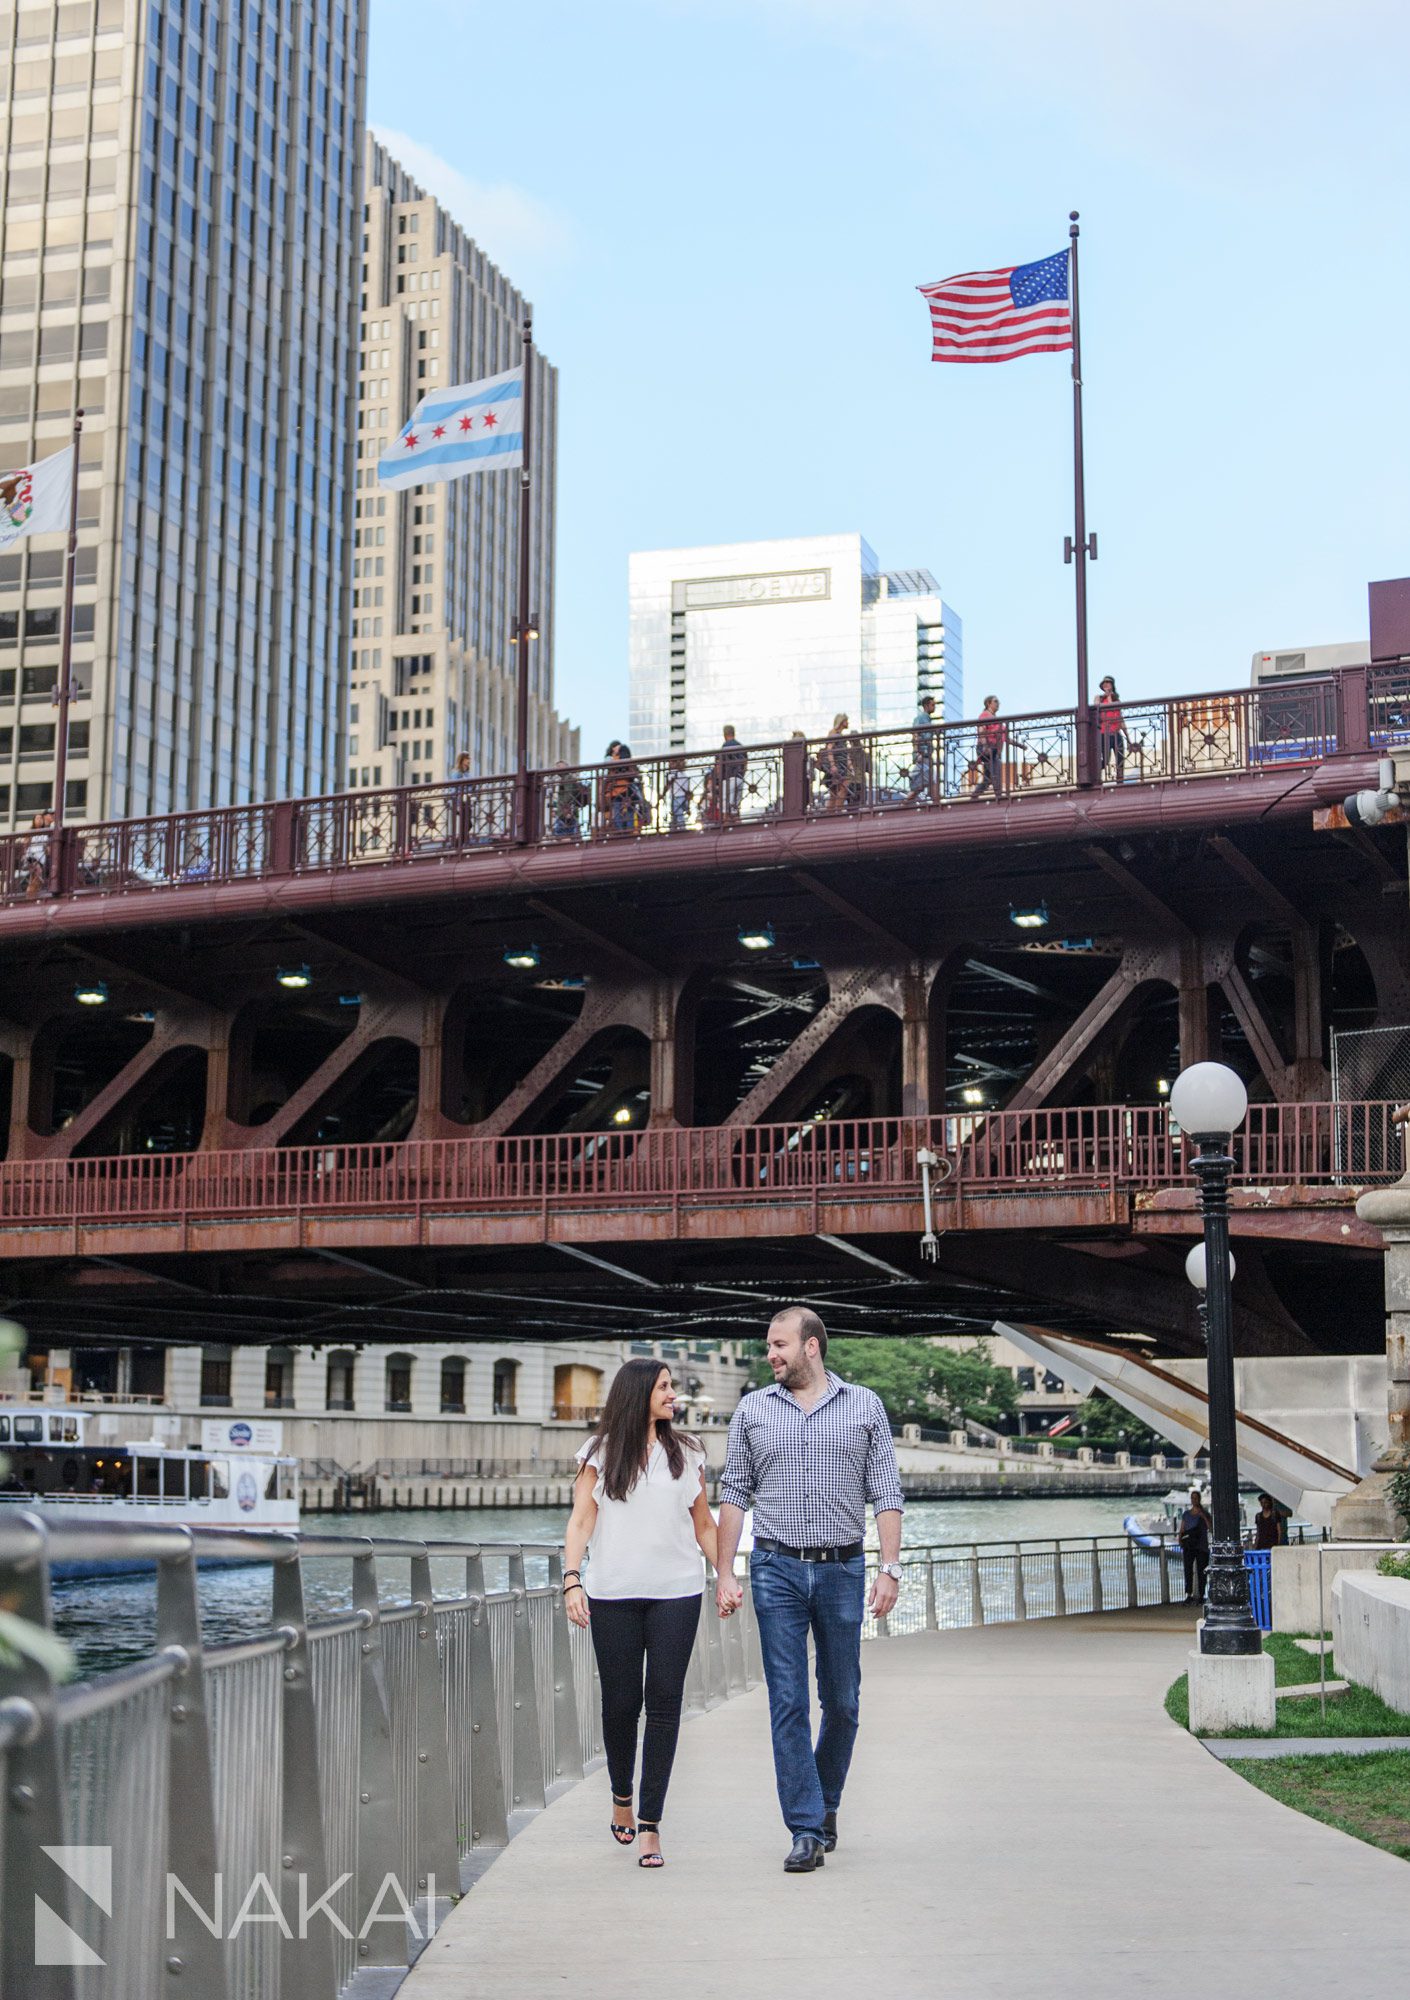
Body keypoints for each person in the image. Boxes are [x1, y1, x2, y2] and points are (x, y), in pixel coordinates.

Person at [715, 1306, 904, 1874]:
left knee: (842, 1703)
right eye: (769, 1346)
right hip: (776, 1569)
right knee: (788, 1702)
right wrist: (724, 1571)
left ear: (811, 1347)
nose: (770, 1354)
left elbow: (886, 1492)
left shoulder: (865, 1405)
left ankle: (827, 1805)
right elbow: (734, 1493)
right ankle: (804, 1827)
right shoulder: (752, 1409)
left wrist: (890, 1567)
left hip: (844, 1570)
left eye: (779, 1345)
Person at [563, 1357, 719, 1870]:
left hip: (677, 1591)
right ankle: (621, 1796)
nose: (674, 1394)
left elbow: (704, 1526)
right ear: (637, 1395)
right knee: (621, 1704)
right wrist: (572, 1579)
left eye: (672, 1386)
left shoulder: (688, 1451)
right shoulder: (600, 1452)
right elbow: (582, 1521)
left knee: (666, 1705)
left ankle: (651, 1824)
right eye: (664, 1387)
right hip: (613, 1593)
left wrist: (729, 1574)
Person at [1177, 1487, 1212, 1602]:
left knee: (1202, 1571)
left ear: (1199, 1499)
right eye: (1192, 1498)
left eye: (1196, 1498)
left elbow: (1210, 1528)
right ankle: (1189, 1594)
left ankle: (1201, 1594)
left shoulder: (1205, 1513)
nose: (1194, 1500)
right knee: (1188, 1570)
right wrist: (1180, 1540)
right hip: (1189, 1545)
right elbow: (1182, 1529)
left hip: (1201, 1546)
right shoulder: (1186, 1514)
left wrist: (1203, 1517)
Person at [972, 696, 1006, 800]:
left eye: (998, 701)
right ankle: (999, 797)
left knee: (988, 779)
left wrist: (1019, 745)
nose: (998, 703)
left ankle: (974, 797)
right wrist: (985, 746)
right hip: (987, 749)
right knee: (996, 771)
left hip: (993, 750)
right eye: (995, 701)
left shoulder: (995, 718)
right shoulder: (985, 715)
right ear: (988, 703)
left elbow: (1004, 736)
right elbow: (981, 730)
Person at [817, 714, 851, 813]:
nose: (848, 723)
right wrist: (832, 765)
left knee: (835, 791)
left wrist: (849, 766)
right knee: (843, 787)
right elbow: (829, 749)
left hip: (841, 765)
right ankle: (837, 812)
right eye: (846, 720)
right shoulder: (834, 733)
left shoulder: (839, 734)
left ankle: (830, 813)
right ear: (841, 722)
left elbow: (845, 753)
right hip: (837, 766)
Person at [715, 725, 748, 823]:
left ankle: (726, 828)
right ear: (734, 733)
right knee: (736, 808)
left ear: (724, 734)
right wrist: (742, 775)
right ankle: (738, 828)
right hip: (740, 778)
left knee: (726, 808)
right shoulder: (741, 746)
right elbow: (746, 764)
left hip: (728, 779)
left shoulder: (724, 747)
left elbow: (718, 766)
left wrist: (718, 780)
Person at [1096, 676, 1126, 783]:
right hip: (1105, 733)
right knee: (1105, 760)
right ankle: (1095, 776)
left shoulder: (1117, 700)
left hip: (1116, 733)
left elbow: (1120, 718)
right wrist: (1107, 697)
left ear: (1112, 685)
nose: (1106, 685)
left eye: (1108, 683)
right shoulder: (1099, 698)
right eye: (1105, 684)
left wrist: (1128, 736)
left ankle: (1120, 781)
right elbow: (1098, 709)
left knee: (1121, 758)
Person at [549, 762, 591, 840]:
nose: (555, 769)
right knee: (566, 834)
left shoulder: (568, 778)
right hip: (567, 812)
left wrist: (564, 808)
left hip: (567, 812)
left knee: (563, 835)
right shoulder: (565, 778)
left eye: (558, 766)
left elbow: (569, 795)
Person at [909, 693, 938, 801]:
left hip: (927, 754)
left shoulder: (928, 719)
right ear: (926, 706)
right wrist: (917, 753)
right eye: (932, 705)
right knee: (923, 782)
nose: (934, 707)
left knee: (932, 780)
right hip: (922, 754)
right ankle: (905, 803)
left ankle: (935, 803)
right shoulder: (920, 718)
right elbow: (915, 735)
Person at [22, 809, 52, 899]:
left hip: (41, 857)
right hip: (32, 856)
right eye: (37, 818)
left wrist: (48, 850)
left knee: (37, 873)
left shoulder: (45, 832)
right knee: (38, 870)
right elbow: (25, 844)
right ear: (34, 821)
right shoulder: (31, 831)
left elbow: (47, 847)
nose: (39, 820)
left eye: (40, 818)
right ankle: (32, 891)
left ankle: (33, 890)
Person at [665, 755, 692, 832]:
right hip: (681, 796)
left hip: (676, 796)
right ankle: (677, 827)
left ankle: (680, 828)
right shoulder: (683, 774)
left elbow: (667, 785)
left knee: (678, 814)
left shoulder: (673, 773)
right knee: (678, 814)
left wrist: (662, 794)